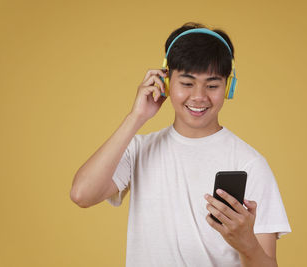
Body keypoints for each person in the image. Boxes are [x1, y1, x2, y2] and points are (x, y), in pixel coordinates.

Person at [70, 22, 291, 267]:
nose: (199, 96)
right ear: (165, 82)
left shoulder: (250, 164)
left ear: (229, 87)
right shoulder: (139, 149)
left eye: (213, 85)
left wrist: (246, 243)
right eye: (187, 83)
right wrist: (136, 117)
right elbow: (82, 194)